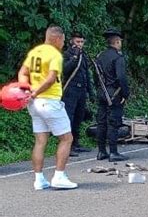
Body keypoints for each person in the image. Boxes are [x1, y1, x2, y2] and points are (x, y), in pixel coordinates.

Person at [17, 26, 78, 190]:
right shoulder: (55, 55)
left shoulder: (36, 52)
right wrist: (36, 92)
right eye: (63, 40)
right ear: (57, 39)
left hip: (34, 104)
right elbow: (51, 79)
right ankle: (59, 176)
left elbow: (22, 72)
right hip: (49, 101)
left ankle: (39, 179)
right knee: (67, 138)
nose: (64, 43)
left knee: (40, 141)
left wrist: (27, 89)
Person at [95, 28, 130, 162]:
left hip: (102, 92)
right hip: (114, 93)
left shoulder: (100, 56)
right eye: (119, 41)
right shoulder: (118, 57)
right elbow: (121, 77)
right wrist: (125, 94)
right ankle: (114, 152)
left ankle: (101, 151)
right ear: (116, 42)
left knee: (101, 122)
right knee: (113, 122)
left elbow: (96, 76)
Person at [62, 32, 94, 155]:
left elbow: (87, 74)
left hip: (82, 90)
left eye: (81, 42)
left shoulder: (84, 55)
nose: (80, 44)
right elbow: (65, 70)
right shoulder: (67, 54)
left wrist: (91, 93)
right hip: (70, 90)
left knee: (79, 117)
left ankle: (76, 143)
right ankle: (67, 145)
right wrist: (74, 58)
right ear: (71, 42)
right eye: (77, 42)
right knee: (69, 117)